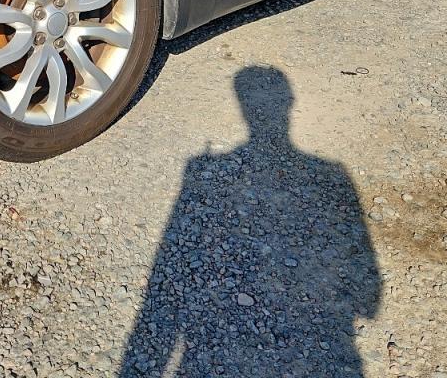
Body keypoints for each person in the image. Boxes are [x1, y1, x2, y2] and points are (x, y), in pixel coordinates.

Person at [118, 66, 380, 377]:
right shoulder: (332, 174)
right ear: (291, 104)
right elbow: (369, 301)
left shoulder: (202, 170)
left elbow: (164, 277)